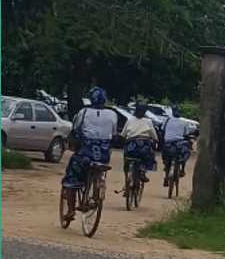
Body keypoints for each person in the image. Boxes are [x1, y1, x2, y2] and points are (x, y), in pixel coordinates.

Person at [61, 87, 118, 220]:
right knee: (98, 170)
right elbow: (114, 134)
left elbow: (76, 129)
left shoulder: (84, 112)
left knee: (71, 178)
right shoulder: (112, 114)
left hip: (85, 154)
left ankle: (70, 210)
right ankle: (96, 194)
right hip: (103, 155)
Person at [159, 106, 198, 186]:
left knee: (167, 158)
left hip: (168, 143)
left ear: (172, 112)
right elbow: (186, 133)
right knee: (184, 152)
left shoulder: (167, 120)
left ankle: (166, 174)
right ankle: (182, 169)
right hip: (179, 143)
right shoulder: (184, 122)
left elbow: (162, 130)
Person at [121, 104, 159, 184]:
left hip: (131, 146)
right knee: (149, 155)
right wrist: (155, 142)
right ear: (145, 112)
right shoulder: (148, 121)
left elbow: (123, 135)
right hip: (144, 145)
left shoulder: (129, 120)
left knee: (126, 161)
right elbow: (154, 136)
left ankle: (126, 179)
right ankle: (143, 171)